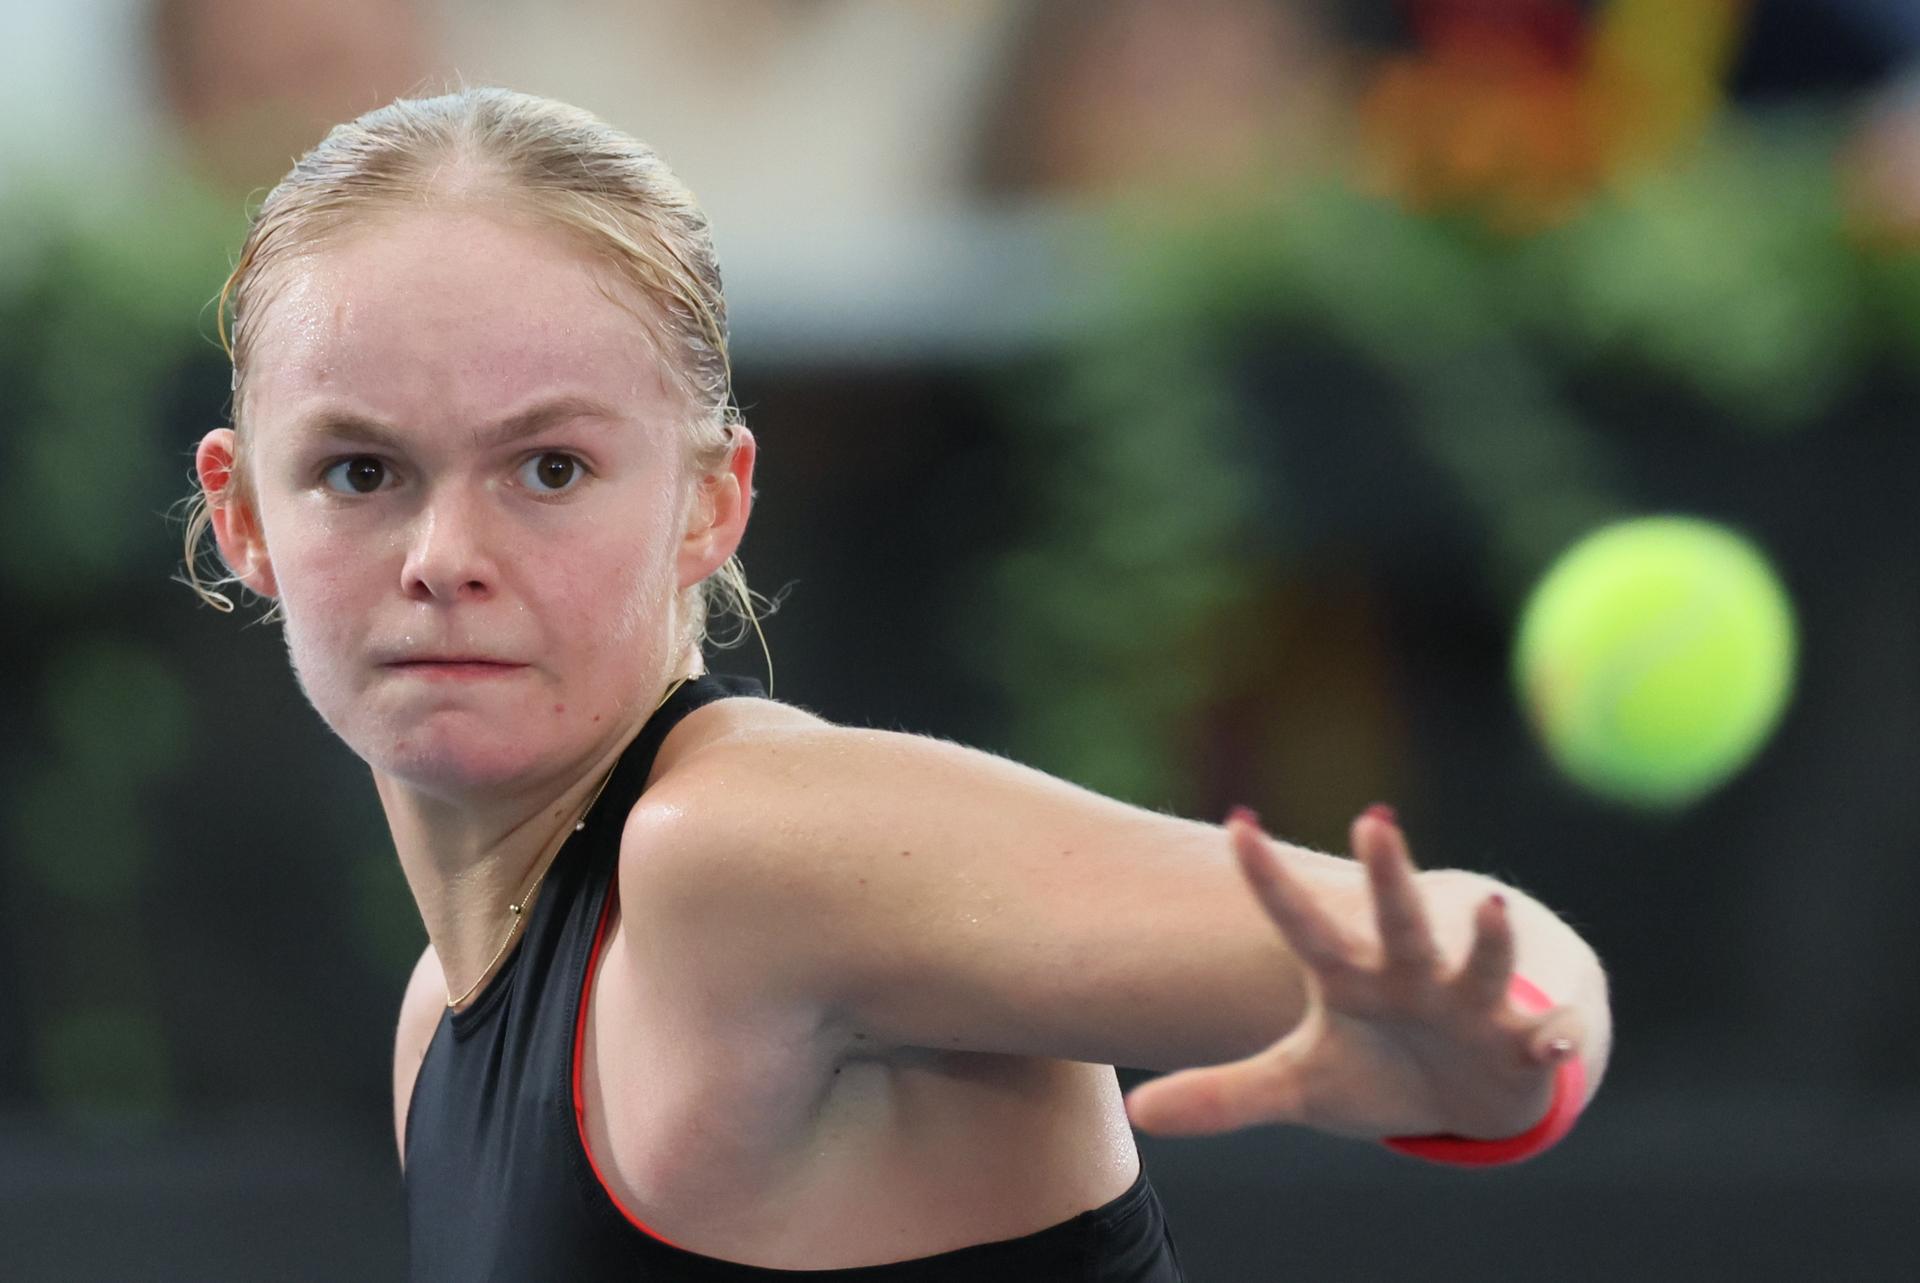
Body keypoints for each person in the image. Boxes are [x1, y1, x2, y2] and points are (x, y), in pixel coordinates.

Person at [181, 87, 1611, 1280]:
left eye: (550, 469)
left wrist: (1489, 1064)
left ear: (707, 504)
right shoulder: (444, 1017)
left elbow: (1492, 948)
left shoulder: (731, 859)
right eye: (360, 472)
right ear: (244, 515)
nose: (445, 556)